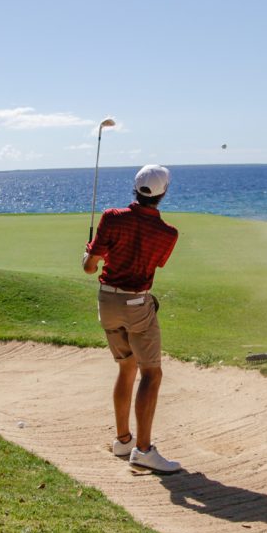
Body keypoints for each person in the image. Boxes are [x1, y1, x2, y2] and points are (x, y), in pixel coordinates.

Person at [82, 165, 181, 473]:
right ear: (163, 193)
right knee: (152, 374)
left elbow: (89, 268)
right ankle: (143, 450)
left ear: (136, 188)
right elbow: (154, 263)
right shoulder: (168, 234)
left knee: (126, 367)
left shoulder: (112, 217)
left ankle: (123, 441)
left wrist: (88, 255)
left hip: (107, 303)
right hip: (136, 304)